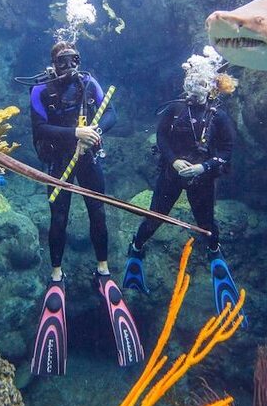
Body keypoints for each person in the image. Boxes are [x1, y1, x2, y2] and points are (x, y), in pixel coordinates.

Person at [28, 41, 144, 376]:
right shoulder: (40, 90)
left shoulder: (87, 83)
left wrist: (95, 132)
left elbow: (112, 113)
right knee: (59, 218)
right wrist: (73, 132)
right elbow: (39, 129)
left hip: (88, 156)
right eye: (64, 61)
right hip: (59, 159)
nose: (70, 66)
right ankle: (56, 274)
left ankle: (103, 270)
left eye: (75, 60)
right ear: (53, 63)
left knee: (98, 212)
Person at [122, 46, 241, 315]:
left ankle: (214, 253)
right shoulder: (174, 109)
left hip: (202, 179)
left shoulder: (219, 117)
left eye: (201, 83)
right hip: (171, 175)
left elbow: (226, 150)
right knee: (155, 216)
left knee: (207, 223)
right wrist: (174, 160)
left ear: (212, 86)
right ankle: (137, 248)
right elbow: (161, 137)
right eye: (191, 82)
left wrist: (204, 167)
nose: (194, 88)